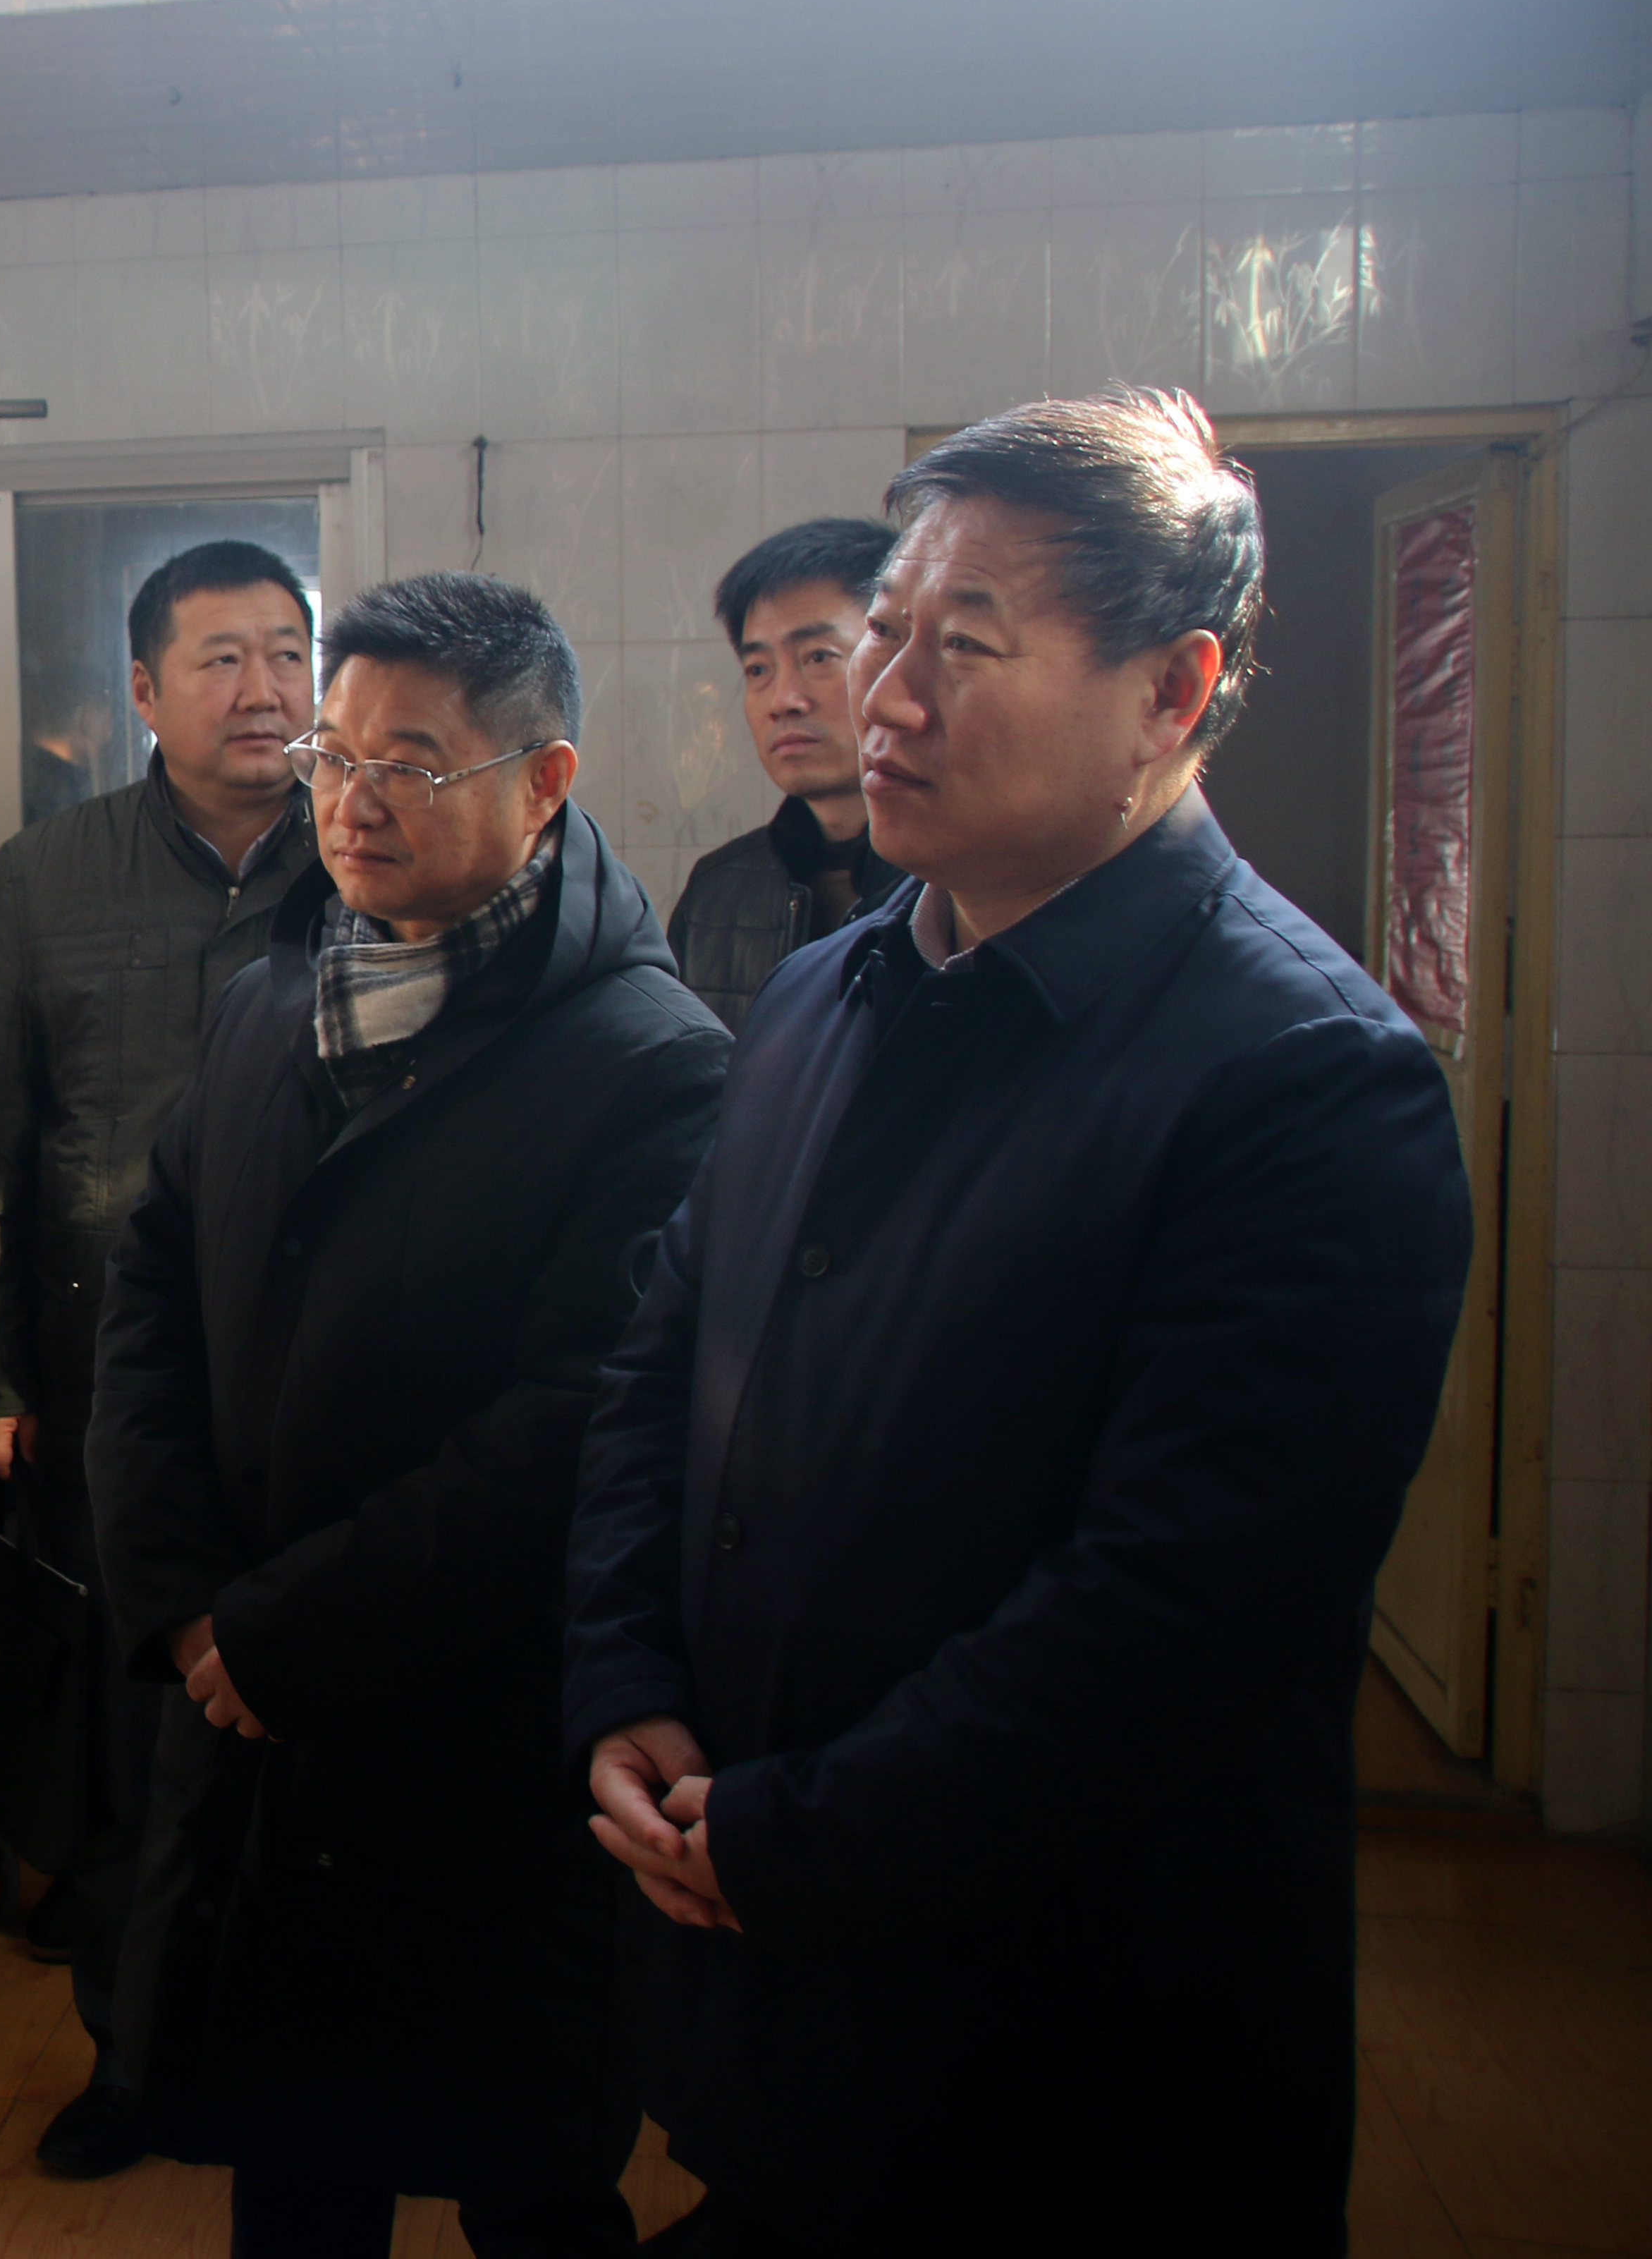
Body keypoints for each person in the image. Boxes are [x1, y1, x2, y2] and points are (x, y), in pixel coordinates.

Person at [563, 389, 1471, 2258]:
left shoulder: (1304, 1078)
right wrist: (624, 1682)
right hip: (776, 1989)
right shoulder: (825, 993)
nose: (884, 700)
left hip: (1074, 2053)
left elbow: (1168, 1619)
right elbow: (668, 1357)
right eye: (887, 630)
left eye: (964, 648)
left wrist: (789, 1835)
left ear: (1172, 689)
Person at [92, 572, 727, 2258]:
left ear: (546, 782)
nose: (353, 800)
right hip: (248, 1711)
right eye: (334, 753)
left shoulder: (650, 1062)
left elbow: (580, 1419)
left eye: (415, 764)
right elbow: (151, 1281)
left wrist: (283, 1633)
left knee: (522, 2181)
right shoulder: (271, 1002)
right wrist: (180, 1599)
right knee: (291, 2172)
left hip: (474, 1743)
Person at [0, 537, 323, 2179]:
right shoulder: (49, 877)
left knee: (306, 1730)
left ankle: (301, 2061)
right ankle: (130, 2061)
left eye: (287, 653)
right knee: (123, 1750)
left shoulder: (369, 851)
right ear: (143, 693)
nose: (262, 688)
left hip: (321, 1388)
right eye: (221, 658)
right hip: (107, 1399)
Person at [665, 518, 904, 1028]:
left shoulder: (959, 884)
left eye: (819, 657)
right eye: (758, 670)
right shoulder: (716, 893)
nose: (783, 700)